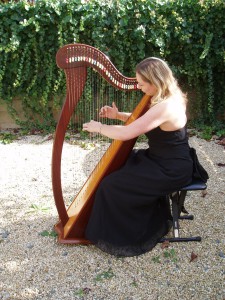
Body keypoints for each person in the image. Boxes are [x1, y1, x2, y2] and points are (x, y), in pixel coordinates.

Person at [82, 57, 193, 257]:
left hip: (170, 169)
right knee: (125, 163)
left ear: (156, 81)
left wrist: (100, 128)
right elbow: (145, 120)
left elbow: (128, 133)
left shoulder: (166, 106)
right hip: (162, 159)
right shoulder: (169, 97)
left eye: (142, 84)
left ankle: (125, 234)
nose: (140, 88)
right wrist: (118, 116)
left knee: (111, 185)